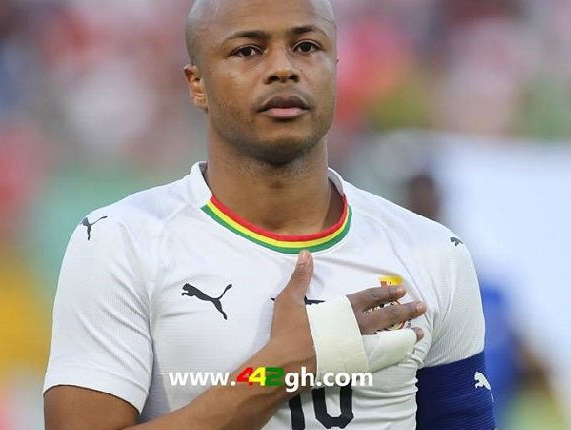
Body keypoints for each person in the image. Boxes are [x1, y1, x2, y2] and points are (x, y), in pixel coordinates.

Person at [43, 0, 496, 429]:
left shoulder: (434, 252)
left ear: (335, 70)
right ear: (197, 84)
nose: (283, 68)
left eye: (307, 47)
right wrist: (280, 370)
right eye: (248, 50)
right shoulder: (122, 240)